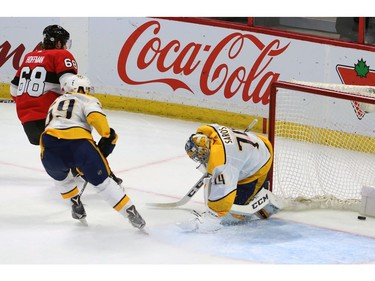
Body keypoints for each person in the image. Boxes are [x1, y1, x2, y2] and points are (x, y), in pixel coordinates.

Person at [39, 74, 146, 230]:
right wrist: (107, 135)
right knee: (104, 184)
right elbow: (95, 117)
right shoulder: (87, 99)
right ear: (83, 88)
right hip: (78, 144)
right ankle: (131, 213)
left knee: (61, 179)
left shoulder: (55, 102)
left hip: (49, 146)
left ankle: (74, 202)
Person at [177, 123, 281, 233]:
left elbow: (224, 193)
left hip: (261, 161)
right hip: (257, 144)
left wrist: (212, 219)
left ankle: (263, 202)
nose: (199, 158)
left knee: (235, 215)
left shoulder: (221, 162)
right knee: (222, 178)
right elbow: (206, 129)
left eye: (198, 156)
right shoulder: (213, 133)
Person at [10, 24, 78, 145]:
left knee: (54, 155)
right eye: (64, 42)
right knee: (77, 147)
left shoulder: (29, 56)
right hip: (50, 119)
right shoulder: (61, 54)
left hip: (27, 122)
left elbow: (13, 91)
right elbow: (71, 85)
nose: (66, 46)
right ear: (58, 43)